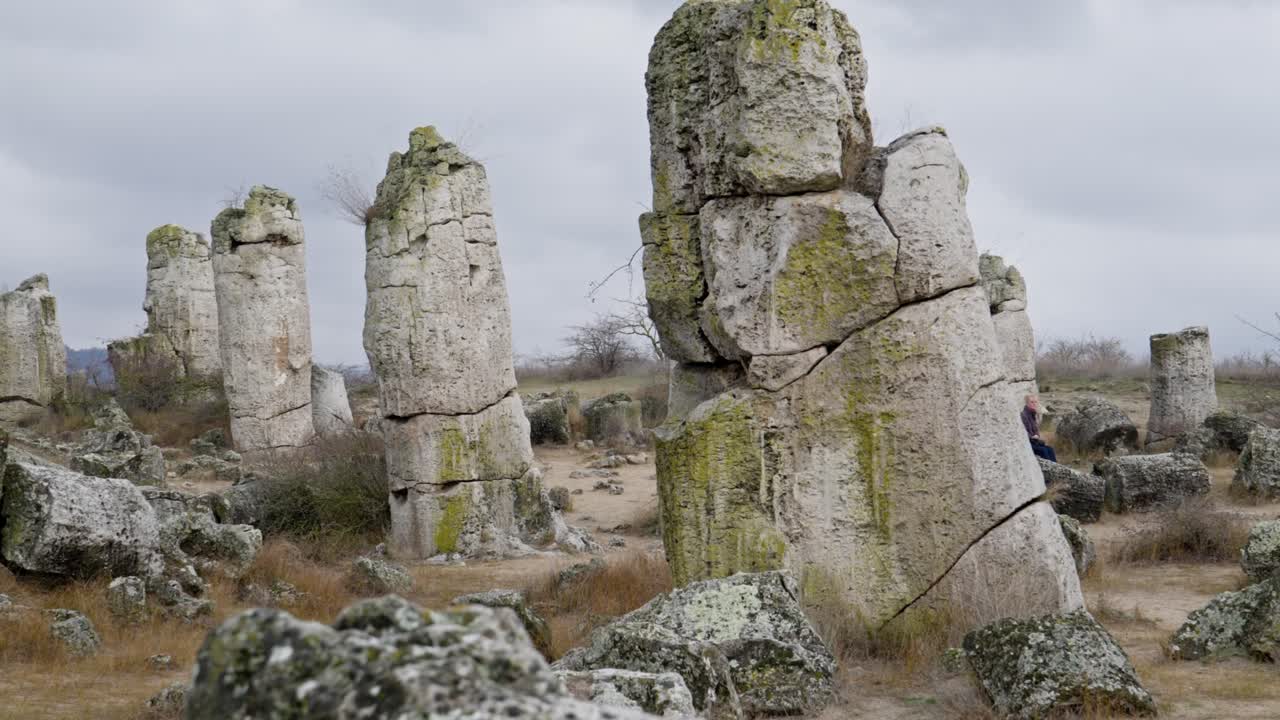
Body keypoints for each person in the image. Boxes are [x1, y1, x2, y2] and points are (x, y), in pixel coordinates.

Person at [1022, 394, 1057, 462]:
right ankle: (1048, 470)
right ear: (1027, 403)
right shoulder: (1024, 415)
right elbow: (1023, 431)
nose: (1034, 404)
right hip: (1028, 443)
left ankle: (1055, 468)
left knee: (1050, 449)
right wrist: (1032, 436)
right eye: (1032, 402)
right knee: (1043, 451)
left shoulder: (1033, 414)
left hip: (1034, 442)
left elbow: (1036, 430)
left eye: (1036, 402)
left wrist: (1037, 435)